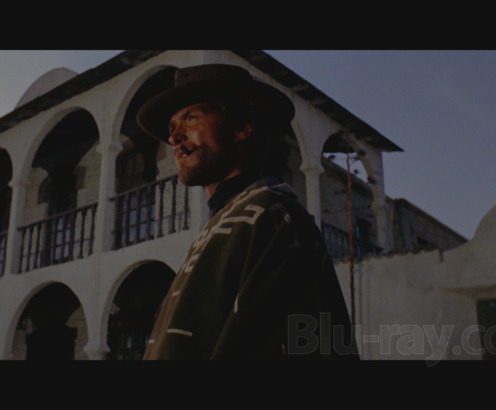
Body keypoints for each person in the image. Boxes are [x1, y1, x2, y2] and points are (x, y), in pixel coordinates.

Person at [136, 63, 358, 360]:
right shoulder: (217, 231)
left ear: (241, 128)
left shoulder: (272, 218)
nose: (175, 137)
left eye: (191, 118)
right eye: (172, 127)